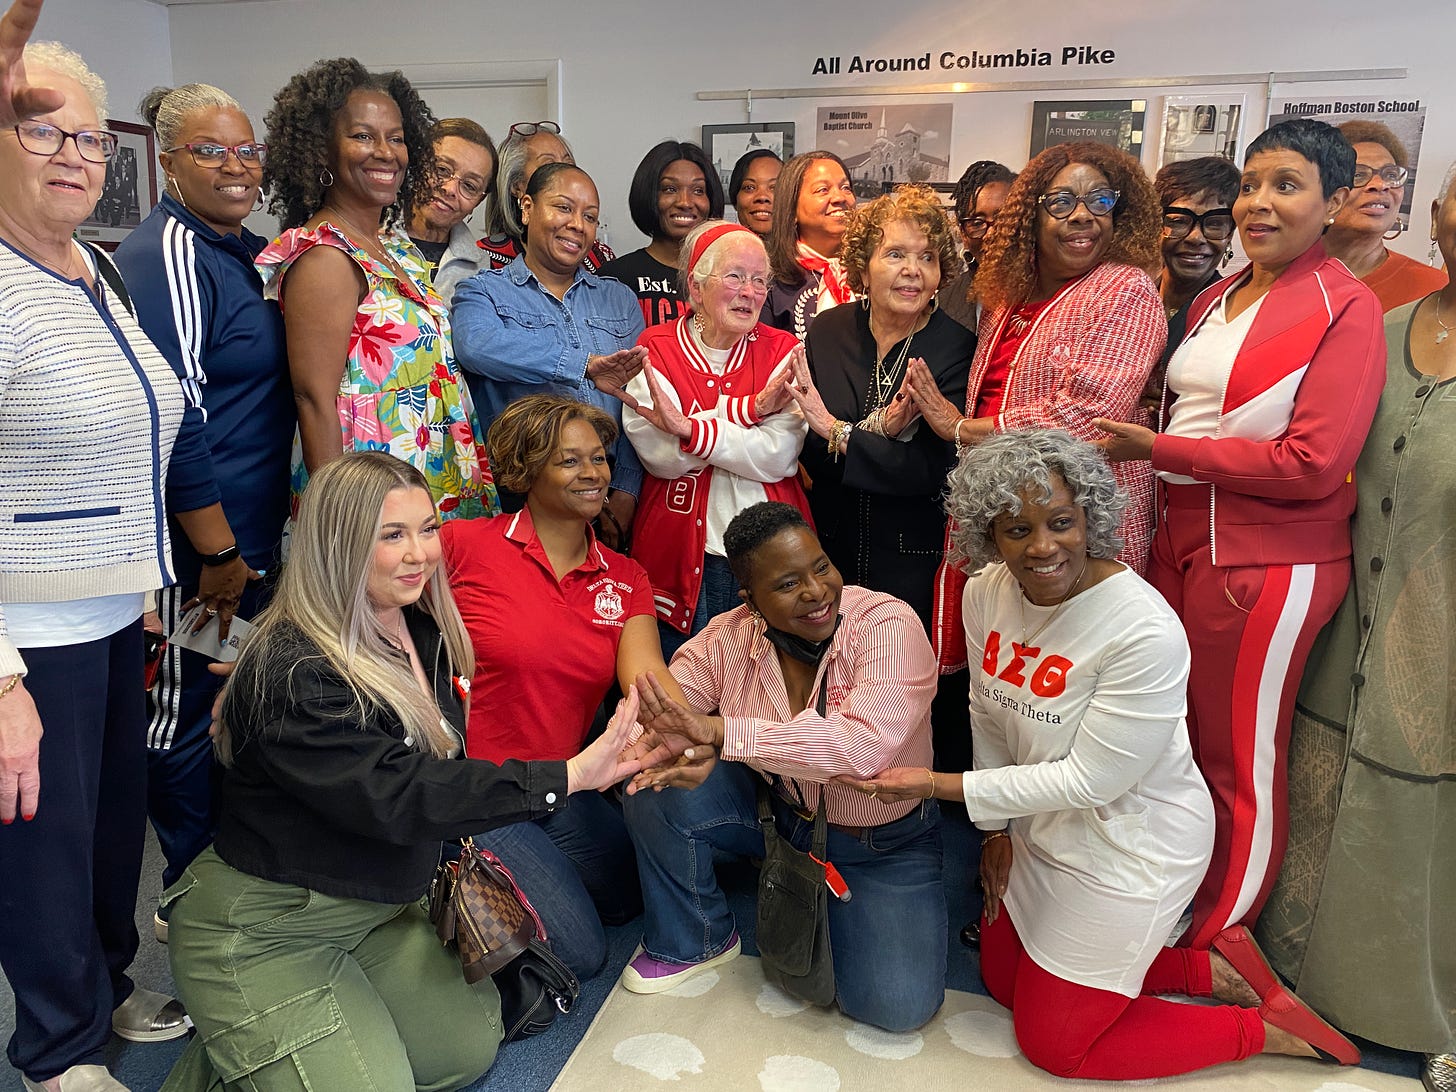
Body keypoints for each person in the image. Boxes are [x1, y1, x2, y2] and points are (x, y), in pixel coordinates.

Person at [842, 430, 1360, 1078]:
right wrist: (996, 832)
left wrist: (939, 787)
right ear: (988, 536)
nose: (1042, 547)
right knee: (1004, 981)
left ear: (1090, 514)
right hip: (1040, 823)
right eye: (1016, 529)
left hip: (1129, 842)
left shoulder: (1142, 628)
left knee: (1056, 1045)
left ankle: (1263, 1032)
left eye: (1061, 522)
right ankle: (1205, 970)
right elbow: (988, 716)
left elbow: (1093, 780)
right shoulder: (986, 593)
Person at [160, 452, 647, 1091]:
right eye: (392, 535)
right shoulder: (292, 671)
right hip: (267, 925)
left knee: (463, 1052)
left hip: (377, 902)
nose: (421, 552)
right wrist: (571, 774)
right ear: (339, 543)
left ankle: (270, 1047)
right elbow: (399, 795)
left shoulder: (424, 626)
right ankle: (236, 1043)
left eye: (427, 528)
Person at [1096, 118, 1385, 951]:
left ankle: (1220, 939)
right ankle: (1177, 901)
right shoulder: (1219, 295)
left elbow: (1313, 463)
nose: (1259, 203)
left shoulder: (1347, 308)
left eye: (1286, 185)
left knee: (1240, 765)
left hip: (1270, 560)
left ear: (1334, 203)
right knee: (1178, 742)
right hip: (1185, 545)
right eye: (1251, 184)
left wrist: (1159, 449)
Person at [0, 25, 190, 1090]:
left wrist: (148, 578)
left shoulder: (93, 269)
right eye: (41, 129)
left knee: (115, 835)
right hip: (29, 638)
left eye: (87, 136)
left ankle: (108, 987)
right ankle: (55, 1048)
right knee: (41, 856)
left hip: (119, 615)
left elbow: (129, 434)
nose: (75, 153)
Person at [1259, 161, 1456, 1092]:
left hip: (1440, 638)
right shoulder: (1381, 328)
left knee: (1426, 822)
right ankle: (1305, 983)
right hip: (1347, 622)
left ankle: (1430, 1012)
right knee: (1322, 788)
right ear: (1439, 212)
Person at [621, 501, 947, 1033]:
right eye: (788, 584)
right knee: (656, 781)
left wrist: (721, 734)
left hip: (881, 844)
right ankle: (698, 937)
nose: (817, 591)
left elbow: (862, 747)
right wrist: (666, 747)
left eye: (821, 567)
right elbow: (665, 710)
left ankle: (835, 902)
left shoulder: (888, 623)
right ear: (750, 599)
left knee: (893, 1008)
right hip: (781, 821)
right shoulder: (730, 635)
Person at [113, 82, 292, 916]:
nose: (235, 166)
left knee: (229, 705)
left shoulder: (243, 250)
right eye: (210, 151)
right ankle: (186, 893)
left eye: (246, 150)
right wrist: (217, 554)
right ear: (167, 160)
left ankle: (232, 874)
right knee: (179, 720)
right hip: (200, 548)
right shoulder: (165, 258)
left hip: (249, 538)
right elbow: (173, 415)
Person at [440, 395, 680, 978]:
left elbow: (654, 688)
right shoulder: (462, 545)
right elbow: (362, 609)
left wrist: (722, 727)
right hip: (474, 788)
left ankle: (504, 873)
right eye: (570, 461)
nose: (594, 473)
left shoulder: (625, 579)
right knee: (581, 954)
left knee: (627, 901)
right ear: (525, 471)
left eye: (599, 459)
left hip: (560, 784)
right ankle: (441, 866)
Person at [255, 57, 497, 519]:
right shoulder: (326, 255)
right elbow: (314, 401)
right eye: (363, 136)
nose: (386, 152)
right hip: (368, 496)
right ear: (322, 149)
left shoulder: (393, 249)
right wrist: (341, 529)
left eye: (397, 138)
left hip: (434, 471)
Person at [621, 220, 810, 657]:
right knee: (681, 685)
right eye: (735, 276)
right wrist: (749, 412)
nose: (750, 292)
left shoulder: (782, 349)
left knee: (763, 690)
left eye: (760, 280)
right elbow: (660, 456)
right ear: (696, 286)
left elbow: (779, 455)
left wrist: (689, 427)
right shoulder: (656, 346)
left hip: (766, 552)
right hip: (682, 553)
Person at [790, 185, 974, 632]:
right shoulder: (830, 331)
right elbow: (810, 452)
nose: (913, 271)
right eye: (895, 254)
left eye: (928, 257)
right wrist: (879, 436)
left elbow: (932, 468)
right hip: (828, 553)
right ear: (863, 267)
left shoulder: (956, 348)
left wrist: (842, 433)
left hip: (915, 557)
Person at [451, 162, 645, 546]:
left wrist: (625, 489)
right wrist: (582, 365)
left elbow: (641, 402)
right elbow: (476, 345)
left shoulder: (618, 299)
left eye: (589, 216)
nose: (577, 224)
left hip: (608, 498)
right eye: (563, 207)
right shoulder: (483, 292)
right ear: (526, 208)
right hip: (521, 503)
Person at [1324, 120, 1447, 312]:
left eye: (1391, 175)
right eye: (1357, 174)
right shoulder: (1269, 272)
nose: (1381, 185)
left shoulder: (1435, 288)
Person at [598, 140, 723, 329]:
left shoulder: (727, 278)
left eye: (698, 190)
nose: (685, 202)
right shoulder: (615, 278)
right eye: (670, 189)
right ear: (649, 195)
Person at [1149, 156, 1241, 408]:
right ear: (1156, 224)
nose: (1196, 237)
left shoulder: (1231, 316)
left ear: (1230, 234)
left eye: (1214, 224)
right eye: (1178, 221)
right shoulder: (1131, 301)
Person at [477, 120, 614, 275]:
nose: (564, 174)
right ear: (516, 186)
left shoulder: (599, 255)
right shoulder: (482, 260)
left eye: (568, 165)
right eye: (549, 166)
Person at [762, 151, 857, 340]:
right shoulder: (767, 278)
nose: (840, 197)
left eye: (846, 187)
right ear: (792, 208)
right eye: (823, 190)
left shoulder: (873, 270)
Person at [405, 116, 495, 305]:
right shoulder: (369, 237)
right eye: (442, 170)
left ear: (479, 201)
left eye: (469, 186)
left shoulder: (483, 268)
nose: (450, 189)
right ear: (418, 163)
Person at [939, 159, 1015, 332]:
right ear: (963, 233)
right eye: (976, 222)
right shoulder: (945, 304)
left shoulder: (1048, 295)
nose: (991, 233)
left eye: (1003, 219)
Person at [727, 147, 780, 237]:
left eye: (774, 188)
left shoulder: (805, 250)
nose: (762, 197)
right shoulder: (719, 250)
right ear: (735, 200)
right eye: (750, 187)